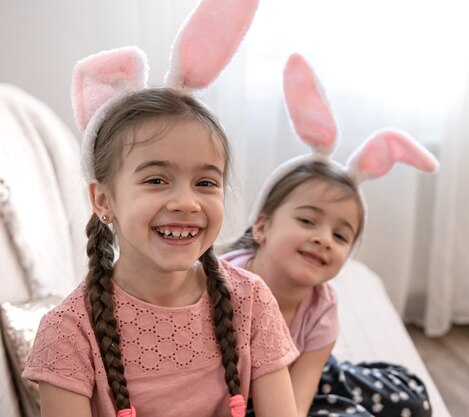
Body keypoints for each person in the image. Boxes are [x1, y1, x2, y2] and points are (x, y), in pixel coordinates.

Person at [22, 1, 299, 417]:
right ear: (103, 201)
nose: (186, 202)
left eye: (206, 182)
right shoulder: (68, 333)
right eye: (156, 180)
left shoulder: (252, 302)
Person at [220, 53, 439, 417]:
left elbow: (299, 398)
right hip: (237, 395)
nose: (324, 239)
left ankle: (349, 377)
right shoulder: (221, 287)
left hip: (298, 383)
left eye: (341, 236)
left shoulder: (322, 307)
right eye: (307, 221)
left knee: (413, 400)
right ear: (261, 226)